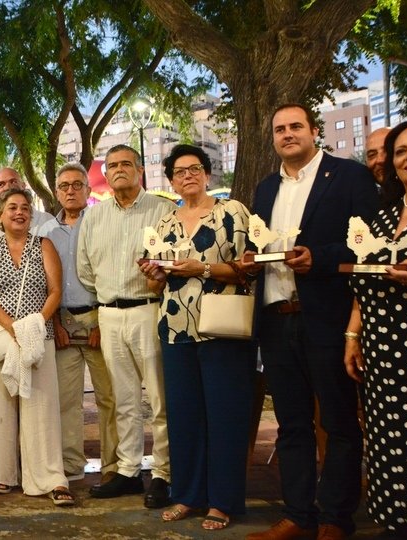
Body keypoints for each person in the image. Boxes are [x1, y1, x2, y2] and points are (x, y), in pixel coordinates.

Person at [241, 104, 378, 540]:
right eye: (279, 129)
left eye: (295, 126)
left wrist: (319, 257)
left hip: (328, 317)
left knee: (338, 421)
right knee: (291, 424)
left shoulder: (349, 177)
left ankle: (336, 518)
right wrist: (250, 260)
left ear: (314, 131)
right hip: (277, 320)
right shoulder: (265, 189)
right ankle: (298, 515)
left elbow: (370, 245)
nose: (287, 134)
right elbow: (260, 243)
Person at [137, 145, 256, 531]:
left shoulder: (232, 212)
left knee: (225, 416)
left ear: (207, 173)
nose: (187, 175)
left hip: (222, 326)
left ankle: (222, 502)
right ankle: (188, 495)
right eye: (178, 171)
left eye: (194, 169)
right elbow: (157, 283)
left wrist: (203, 268)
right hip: (175, 328)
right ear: (170, 180)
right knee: (184, 417)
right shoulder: (165, 223)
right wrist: (154, 276)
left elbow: (247, 269)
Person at [344, 119, 407, 540]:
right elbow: (363, 280)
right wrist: (352, 335)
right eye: (401, 151)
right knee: (386, 444)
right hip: (383, 354)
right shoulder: (381, 218)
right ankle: (398, 524)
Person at [76, 144, 175, 508]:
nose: (118, 170)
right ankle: (130, 471)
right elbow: (85, 269)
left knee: (160, 398)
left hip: (150, 309)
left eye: (125, 164)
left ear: (140, 170)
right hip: (110, 313)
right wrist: (107, 298)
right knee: (124, 400)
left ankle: (164, 473)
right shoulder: (94, 217)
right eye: (112, 165)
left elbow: (173, 262)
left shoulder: (163, 210)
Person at [0, 187, 73, 506]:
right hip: (0, 336)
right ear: (0, 216)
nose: (19, 212)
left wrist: (33, 325)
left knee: (40, 407)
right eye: (12, 207)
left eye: (25, 208)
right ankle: (3, 474)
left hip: (37, 338)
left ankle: (50, 478)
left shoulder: (43, 245)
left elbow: (55, 290)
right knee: (0, 408)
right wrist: (12, 327)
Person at [37, 163, 117, 484]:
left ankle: (114, 466)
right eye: (64, 186)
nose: (70, 191)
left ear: (87, 189)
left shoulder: (100, 224)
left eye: (77, 185)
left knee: (108, 398)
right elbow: (43, 284)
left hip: (99, 319)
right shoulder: (45, 233)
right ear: (56, 192)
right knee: (66, 400)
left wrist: (102, 321)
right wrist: (53, 324)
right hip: (62, 323)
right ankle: (71, 464)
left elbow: (109, 275)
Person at [0, 167, 54, 235]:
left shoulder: (47, 220)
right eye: (1, 184)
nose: (8, 187)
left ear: (23, 186)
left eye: (13, 181)